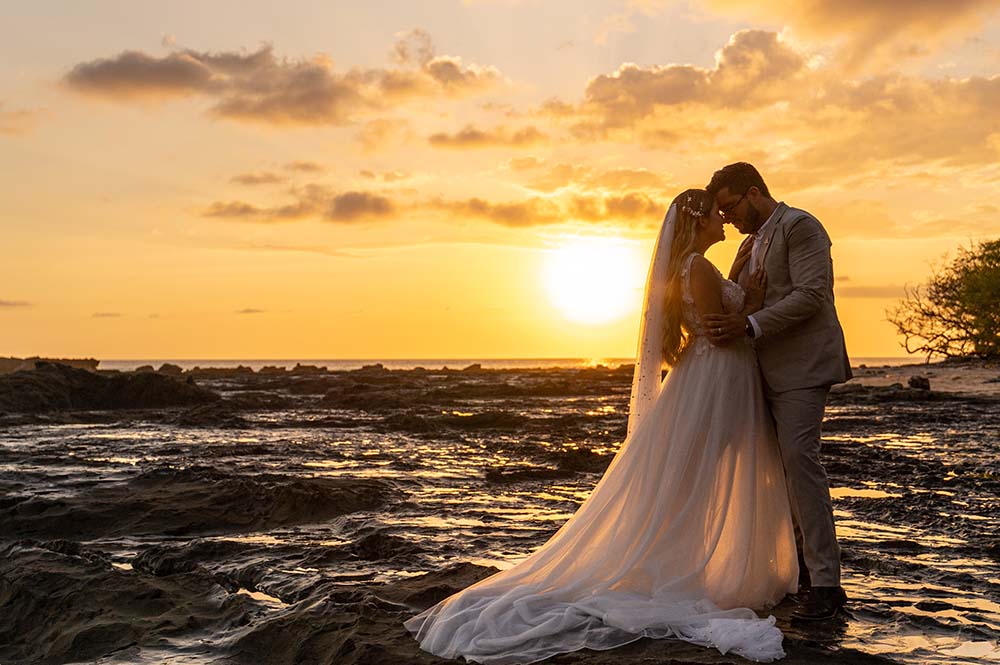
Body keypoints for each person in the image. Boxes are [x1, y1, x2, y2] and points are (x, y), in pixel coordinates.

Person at [403, 188, 799, 664]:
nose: (723, 221)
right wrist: (752, 299)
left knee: (701, 473)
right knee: (707, 473)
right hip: (718, 374)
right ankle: (698, 566)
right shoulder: (696, 266)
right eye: (716, 214)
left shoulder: (691, 267)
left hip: (715, 374)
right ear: (697, 222)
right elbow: (717, 325)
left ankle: (709, 560)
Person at [704, 163, 852, 621]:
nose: (727, 219)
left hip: (803, 368)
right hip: (756, 373)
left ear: (754, 192)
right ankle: (796, 570)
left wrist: (749, 322)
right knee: (770, 471)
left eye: (730, 207)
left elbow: (813, 295)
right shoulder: (748, 245)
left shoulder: (801, 226)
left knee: (800, 463)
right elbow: (739, 297)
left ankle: (827, 585)